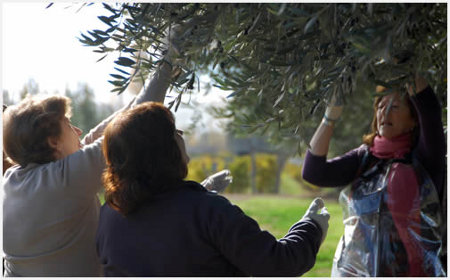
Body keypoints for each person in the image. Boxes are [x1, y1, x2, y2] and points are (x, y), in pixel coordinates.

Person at [96, 101, 330, 276]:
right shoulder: (208, 211)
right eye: (175, 133)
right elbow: (278, 264)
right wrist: (311, 227)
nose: (181, 136)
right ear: (163, 150)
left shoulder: (109, 215)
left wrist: (199, 193)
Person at [302, 74, 446, 277]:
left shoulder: (425, 156)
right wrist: (329, 117)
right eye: (380, 106)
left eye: (395, 107)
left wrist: (404, 64)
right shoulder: (364, 157)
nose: (384, 112)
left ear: (413, 119)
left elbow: (429, 109)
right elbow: (313, 172)